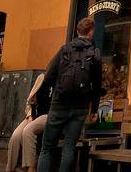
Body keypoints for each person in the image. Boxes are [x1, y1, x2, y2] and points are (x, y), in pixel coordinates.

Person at [36, 17, 105, 172]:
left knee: (47, 148)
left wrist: (56, 93)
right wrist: (94, 109)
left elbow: (47, 77)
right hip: (79, 108)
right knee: (69, 147)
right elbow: (97, 85)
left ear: (77, 31)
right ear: (91, 32)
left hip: (59, 104)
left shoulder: (64, 49)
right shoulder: (94, 53)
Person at [7, 74, 51, 171]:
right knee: (15, 136)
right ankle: (10, 169)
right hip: (34, 114)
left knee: (27, 131)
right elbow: (30, 101)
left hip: (48, 115)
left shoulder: (60, 81)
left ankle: (31, 168)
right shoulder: (41, 78)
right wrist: (30, 115)